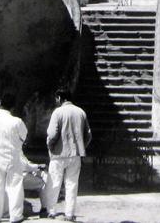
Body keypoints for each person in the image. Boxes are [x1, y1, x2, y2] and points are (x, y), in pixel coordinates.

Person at [0, 92, 36, 223]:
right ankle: (15, 216)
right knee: (14, 187)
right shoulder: (16, 122)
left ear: (0, 104)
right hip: (12, 157)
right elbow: (24, 136)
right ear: (13, 107)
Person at [43, 87, 92, 222]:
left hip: (58, 153)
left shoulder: (57, 112)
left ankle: (51, 211)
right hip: (75, 154)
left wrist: (50, 146)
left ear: (59, 98)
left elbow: (52, 134)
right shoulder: (80, 112)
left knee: (54, 182)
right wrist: (80, 146)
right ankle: (69, 214)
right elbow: (88, 135)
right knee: (72, 183)